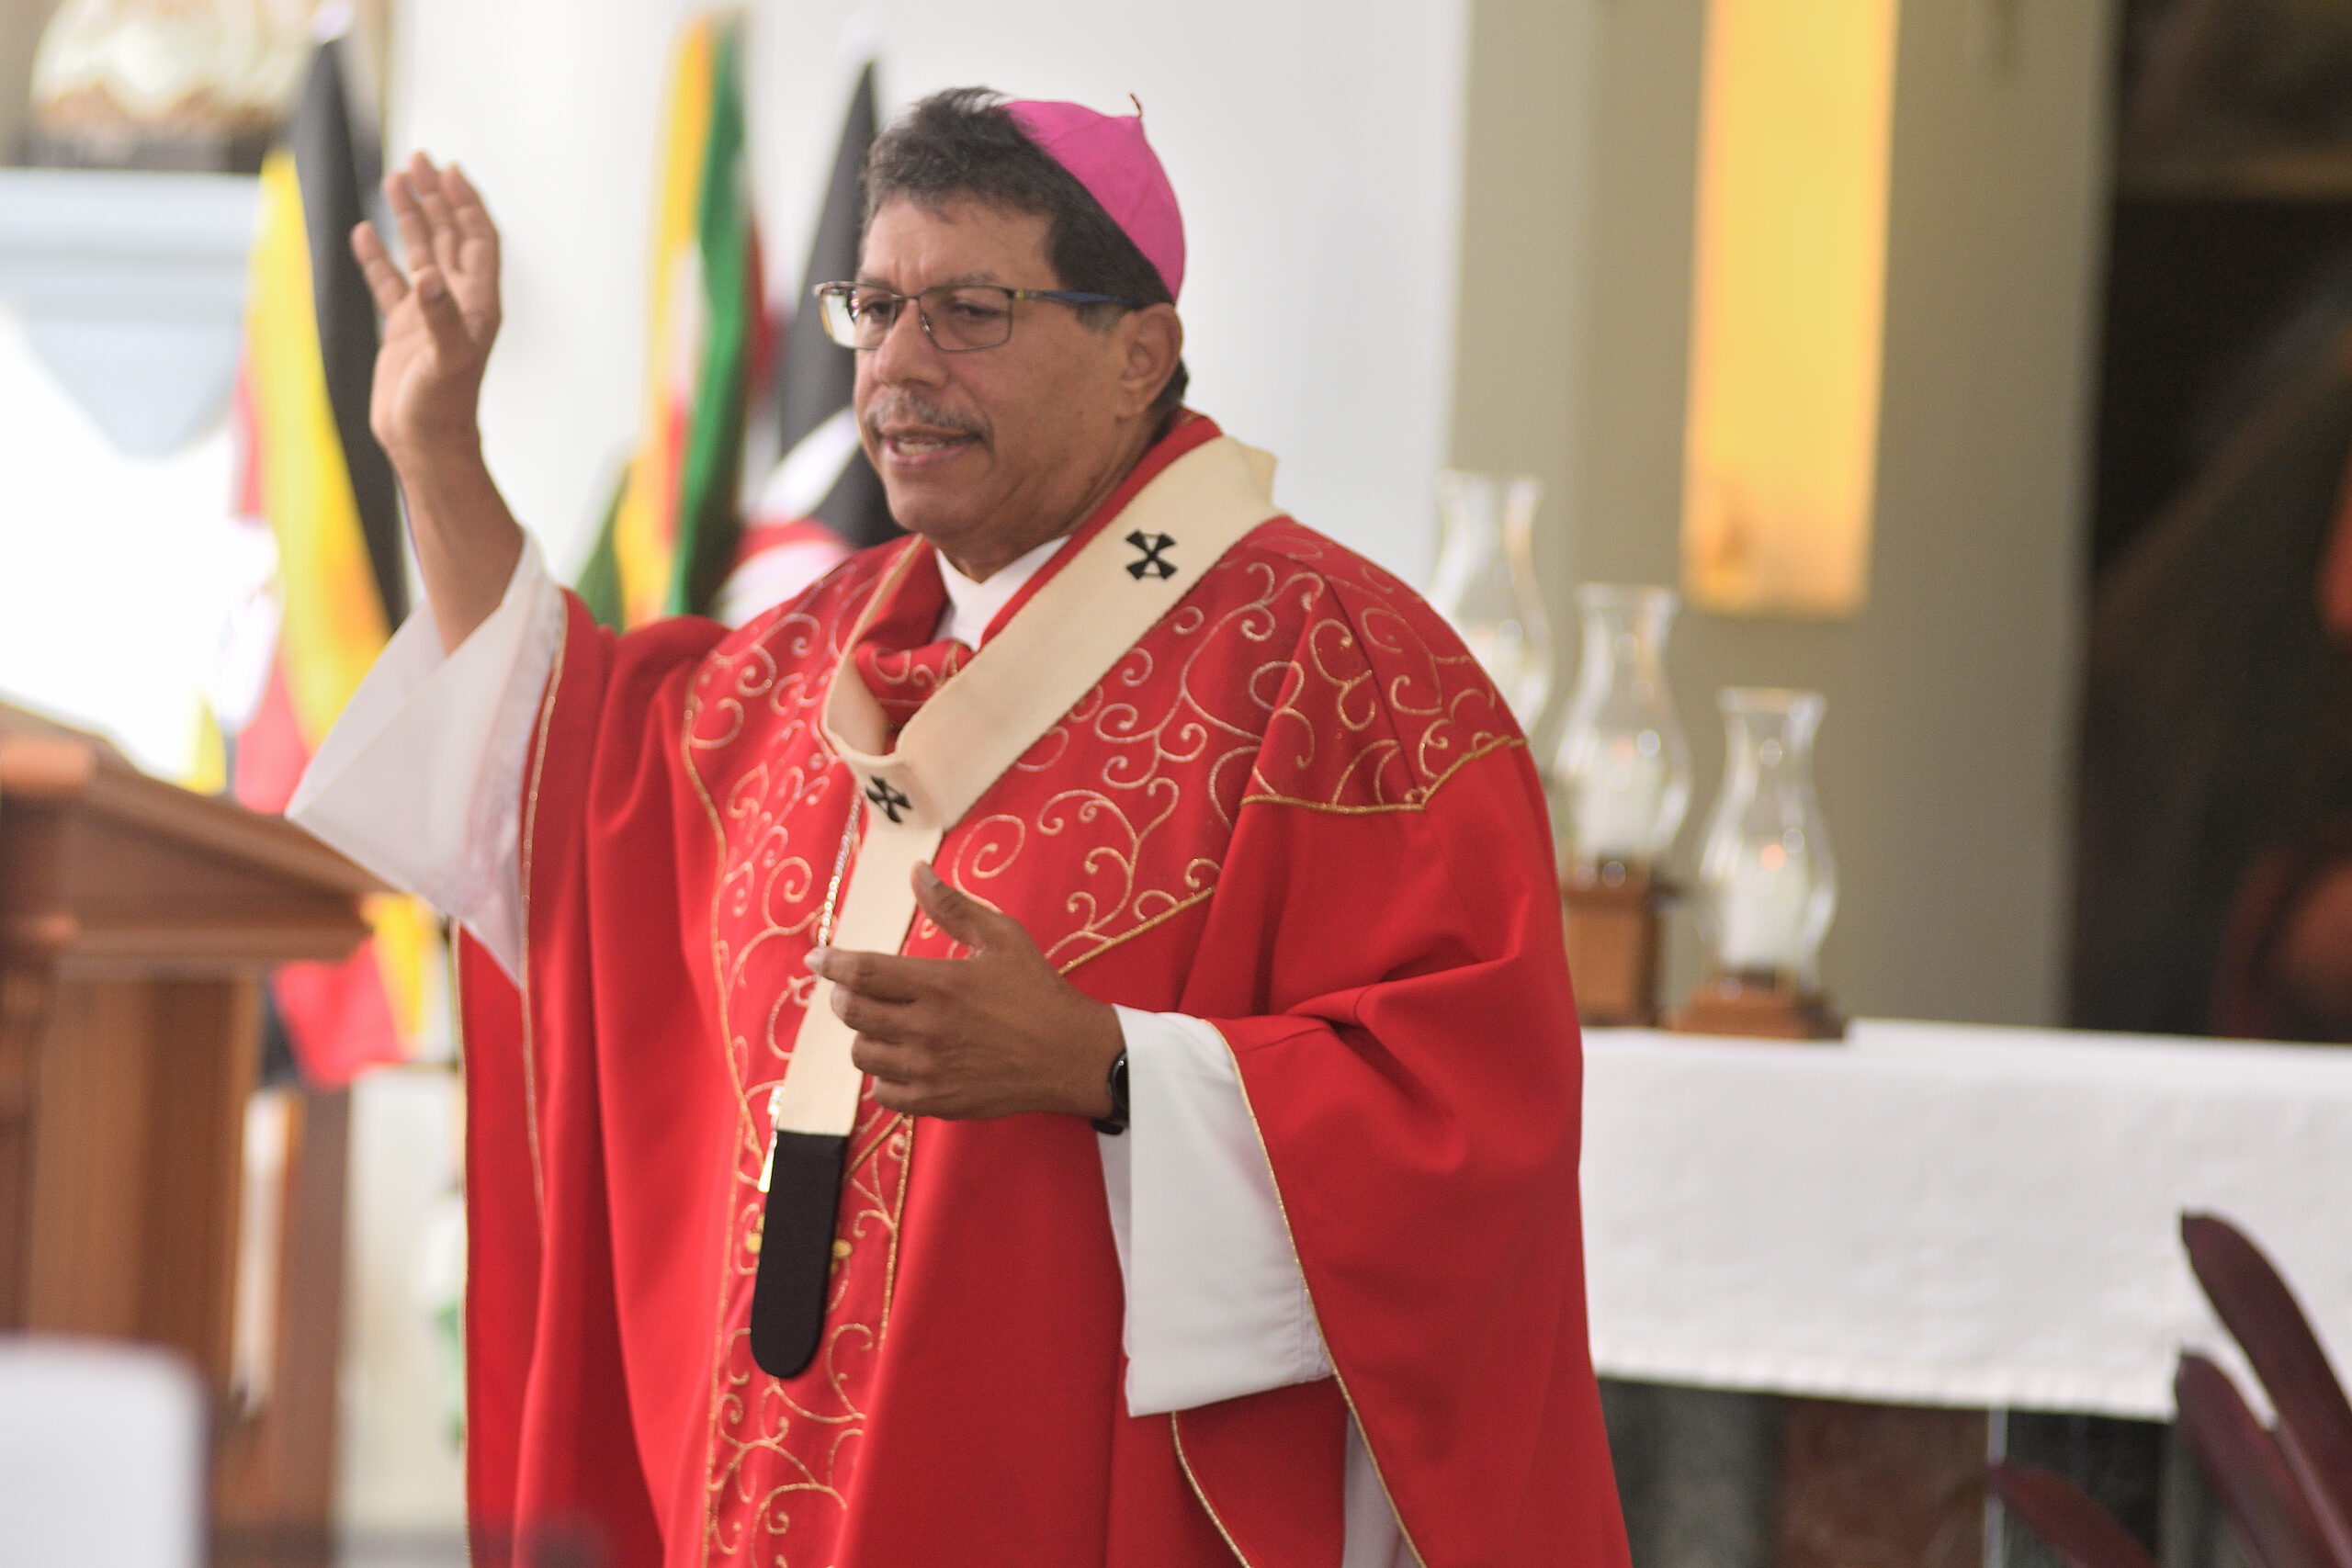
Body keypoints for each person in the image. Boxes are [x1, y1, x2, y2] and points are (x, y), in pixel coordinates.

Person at [291, 88, 1626, 1568]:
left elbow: (1471, 1125)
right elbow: (555, 781)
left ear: (1139, 352)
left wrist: (1105, 1067)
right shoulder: (800, 661)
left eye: (971, 313)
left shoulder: (1337, 673)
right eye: (875, 308)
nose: (899, 365)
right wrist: (435, 451)